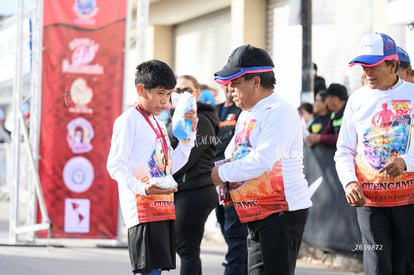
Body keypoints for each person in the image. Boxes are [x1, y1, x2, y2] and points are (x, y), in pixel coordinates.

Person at [211, 44, 312, 275]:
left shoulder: (278, 111)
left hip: (281, 212)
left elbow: (263, 160)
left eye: (235, 83)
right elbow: (233, 154)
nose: (229, 89)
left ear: (256, 82)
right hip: (257, 211)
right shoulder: (247, 113)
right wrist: (222, 172)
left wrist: (221, 174)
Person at [106, 60, 198, 275]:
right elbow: (115, 165)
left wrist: (189, 137)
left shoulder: (157, 121)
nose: (165, 101)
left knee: (156, 270)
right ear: (141, 90)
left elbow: (170, 165)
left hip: (163, 206)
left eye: (168, 94)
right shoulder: (128, 120)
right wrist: (142, 188)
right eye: (160, 93)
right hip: (141, 211)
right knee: (148, 271)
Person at [335, 32, 414, 274]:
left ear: (393, 65)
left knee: (405, 266)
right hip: (370, 200)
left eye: (373, 66)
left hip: (408, 200)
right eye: (362, 66)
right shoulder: (356, 100)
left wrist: (406, 162)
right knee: (377, 265)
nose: (366, 72)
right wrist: (349, 182)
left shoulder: (411, 95)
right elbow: (344, 150)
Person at [167, 75, 219, 275]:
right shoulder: (175, 117)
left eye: (186, 90)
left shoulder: (202, 119)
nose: (180, 94)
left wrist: (160, 173)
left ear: (197, 93)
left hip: (195, 190)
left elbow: (188, 158)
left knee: (187, 249)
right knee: (184, 248)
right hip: (185, 190)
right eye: (177, 90)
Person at [214, 83, 247, 275]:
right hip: (215, 178)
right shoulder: (216, 111)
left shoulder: (241, 112)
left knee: (236, 234)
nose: (230, 88)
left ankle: (237, 266)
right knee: (225, 225)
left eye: (233, 84)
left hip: (234, 178)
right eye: (226, 84)